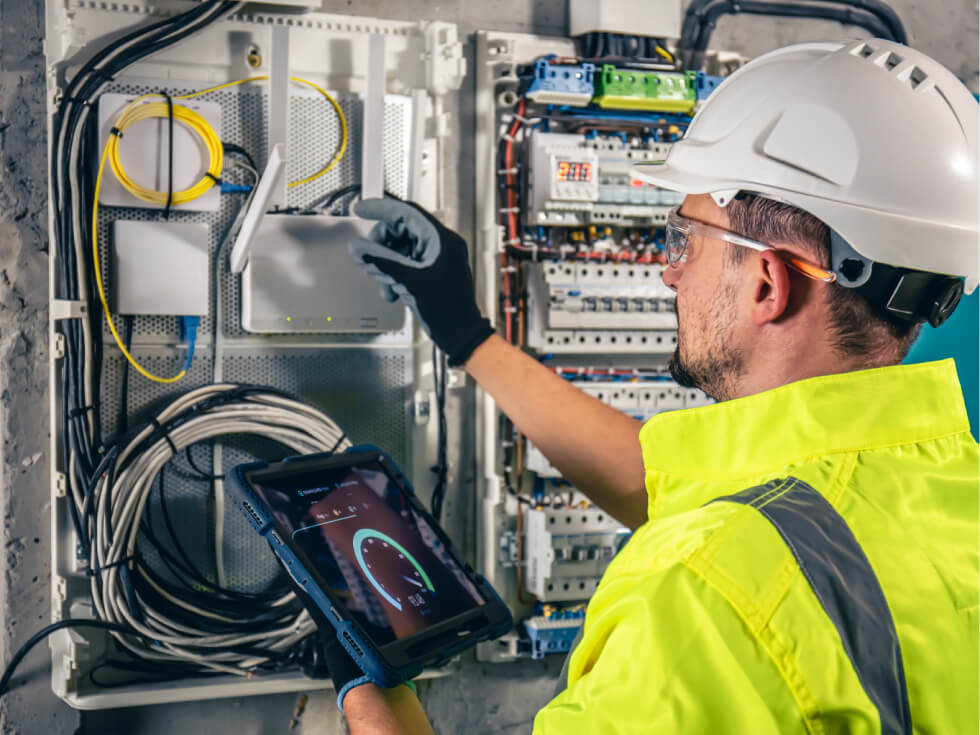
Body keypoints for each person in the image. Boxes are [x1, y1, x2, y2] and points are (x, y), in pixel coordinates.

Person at [334, 38, 979, 733]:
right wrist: (469, 336)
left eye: (685, 240)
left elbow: (729, 555)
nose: (670, 274)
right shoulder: (942, 492)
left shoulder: (700, 593)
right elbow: (677, 489)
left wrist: (368, 695)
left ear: (768, 283)